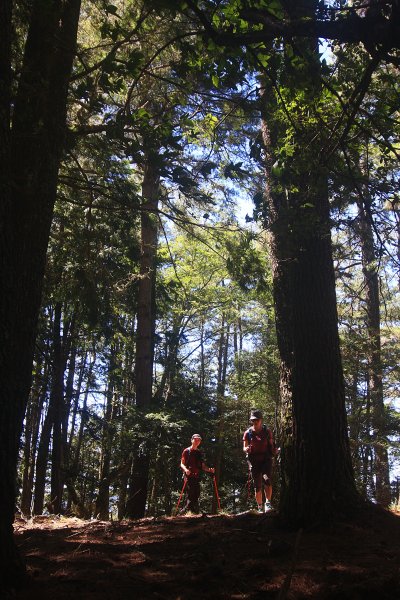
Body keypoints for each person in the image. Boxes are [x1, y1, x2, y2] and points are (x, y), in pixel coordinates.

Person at [243, 409, 278, 513]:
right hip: (254, 461)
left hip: (265, 460)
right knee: (257, 485)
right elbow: (244, 448)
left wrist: (274, 451)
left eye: (257, 419)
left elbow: (271, 445)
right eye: (253, 420)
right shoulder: (248, 433)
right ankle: (259, 507)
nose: (255, 422)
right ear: (251, 421)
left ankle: (268, 503)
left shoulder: (267, 431)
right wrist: (247, 449)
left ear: (261, 420)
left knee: (267, 479)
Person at [180, 434, 215, 514]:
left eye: (199, 440)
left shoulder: (199, 453)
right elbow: (182, 463)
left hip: (196, 476)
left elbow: (202, 466)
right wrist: (186, 470)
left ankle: (192, 511)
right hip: (188, 476)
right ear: (191, 440)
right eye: (195, 440)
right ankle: (190, 511)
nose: (197, 441)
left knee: (197, 493)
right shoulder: (187, 451)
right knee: (191, 492)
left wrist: (209, 470)